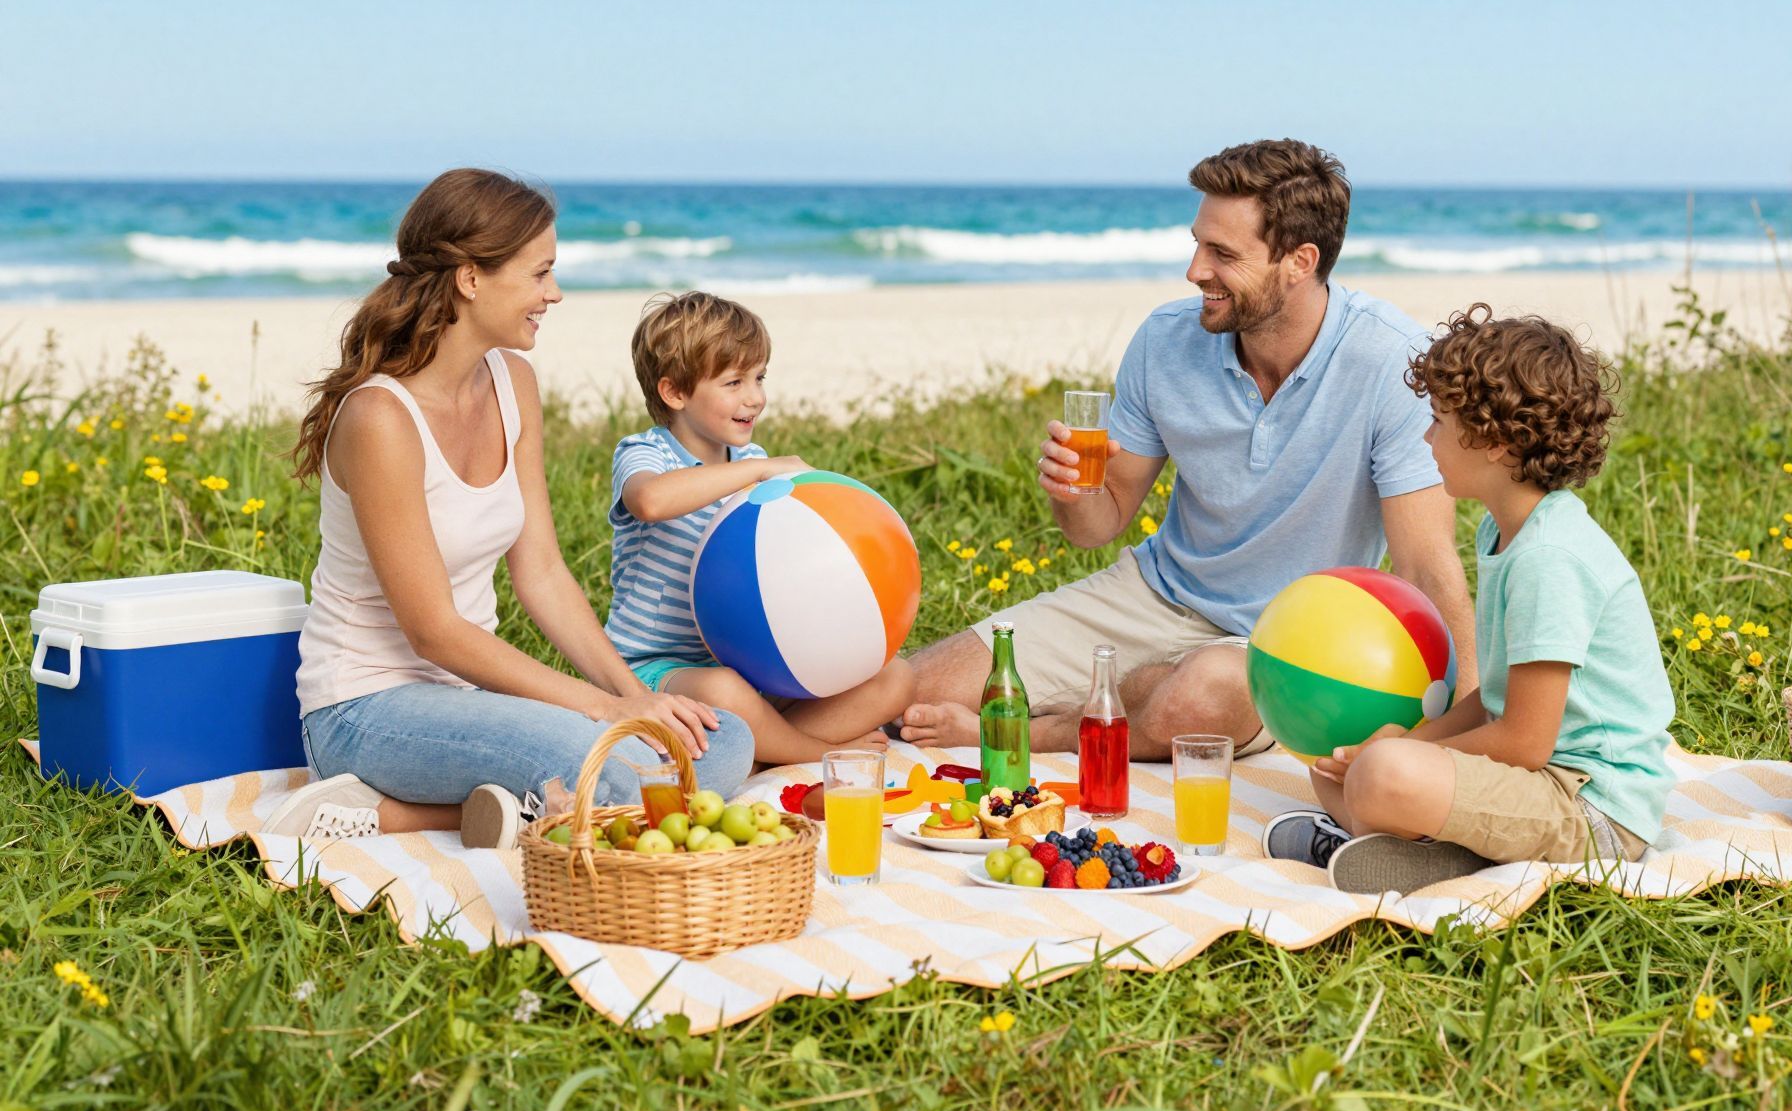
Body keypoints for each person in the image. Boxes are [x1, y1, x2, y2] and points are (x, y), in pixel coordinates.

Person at [901, 139, 1476, 759]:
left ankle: (1034, 730)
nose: (1195, 270)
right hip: (1155, 594)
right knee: (915, 693)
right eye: (1197, 243)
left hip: (1289, 637)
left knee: (1197, 698)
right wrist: (1074, 490)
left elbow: (1425, 565)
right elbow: (1100, 525)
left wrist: (1471, 733)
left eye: (1222, 253)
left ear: (1299, 261)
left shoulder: (1392, 362)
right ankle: (1132, 698)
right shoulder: (1165, 341)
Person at [261, 169, 754, 845]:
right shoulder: (379, 418)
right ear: (470, 278)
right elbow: (434, 631)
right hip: (363, 713)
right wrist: (604, 708)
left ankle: (490, 806)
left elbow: (543, 572)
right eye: (539, 274)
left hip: (465, 703)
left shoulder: (512, 382)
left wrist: (635, 698)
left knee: (722, 744)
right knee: (630, 768)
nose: (552, 294)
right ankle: (407, 810)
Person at [1263, 305, 1675, 895]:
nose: (1426, 436)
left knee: (1379, 773)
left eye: (1437, 420)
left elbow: (1525, 740)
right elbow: (1495, 700)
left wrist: (1401, 758)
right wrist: (1401, 744)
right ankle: (1403, 840)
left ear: (1494, 441)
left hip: (1593, 810)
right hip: (1542, 779)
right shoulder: (1503, 532)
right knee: (1334, 763)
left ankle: (1440, 855)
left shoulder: (1548, 557)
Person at [602, 291, 910, 762]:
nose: (756, 397)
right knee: (725, 691)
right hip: (654, 672)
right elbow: (650, 500)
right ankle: (812, 753)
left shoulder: (752, 462)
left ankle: (761, 751)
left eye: (760, 377)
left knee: (895, 678)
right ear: (675, 392)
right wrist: (758, 473)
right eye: (734, 382)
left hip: (755, 668)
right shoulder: (646, 453)